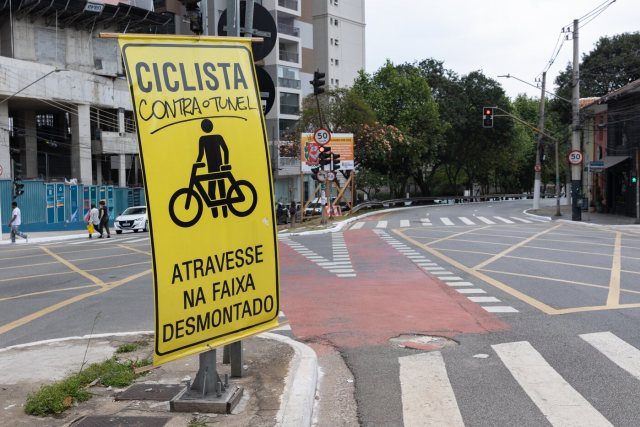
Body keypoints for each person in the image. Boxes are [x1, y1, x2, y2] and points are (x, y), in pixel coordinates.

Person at [196, 118, 229, 218]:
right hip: (217, 168)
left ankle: (217, 214)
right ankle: (222, 214)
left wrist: (197, 164)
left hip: (213, 169)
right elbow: (226, 150)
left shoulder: (203, 139)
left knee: (213, 192)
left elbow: (201, 155)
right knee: (221, 191)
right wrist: (225, 164)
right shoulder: (216, 137)